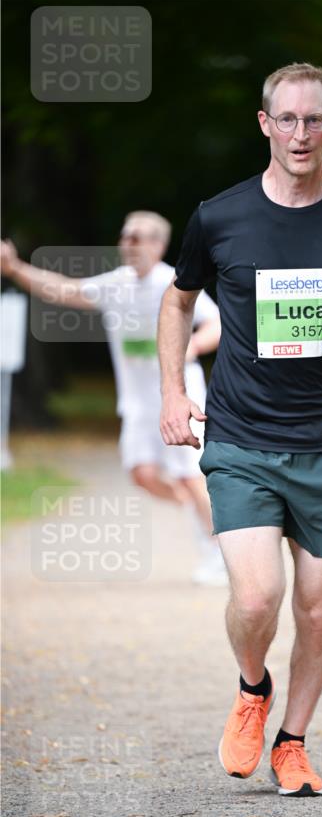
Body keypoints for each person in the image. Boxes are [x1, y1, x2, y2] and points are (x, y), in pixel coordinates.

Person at [159, 62, 322, 797]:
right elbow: (178, 302)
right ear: (264, 124)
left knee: (319, 609)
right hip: (241, 438)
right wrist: (172, 390)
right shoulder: (220, 216)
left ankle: (293, 742)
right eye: (287, 119)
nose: (300, 133)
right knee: (255, 599)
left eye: (313, 119)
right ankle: (252, 688)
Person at [1, 214, 226, 585]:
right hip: (137, 405)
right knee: (143, 475)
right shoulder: (116, 284)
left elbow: (216, 323)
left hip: (179, 397)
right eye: (124, 236)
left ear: (158, 245)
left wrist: (193, 347)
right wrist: (14, 269)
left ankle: (218, 552)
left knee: (190, 477)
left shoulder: (172, 282)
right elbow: (62, 289)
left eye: (137, 237)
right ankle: (205, 516)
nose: (128, 243)